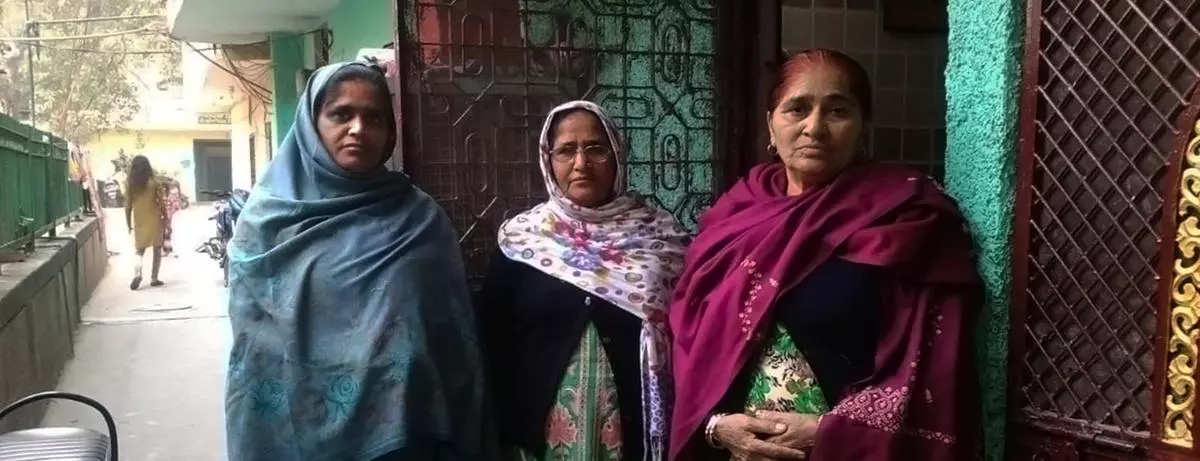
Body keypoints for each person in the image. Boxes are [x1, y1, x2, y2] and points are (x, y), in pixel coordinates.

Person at [667, 49, 983, 461]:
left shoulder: (907, 218)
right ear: (770, 123)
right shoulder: (733, 218)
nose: (814, 128)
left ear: (863, 125)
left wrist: (829, 432)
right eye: (796, 109)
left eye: (837, 111)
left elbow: (933, 367)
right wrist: (715, 425)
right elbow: (692, 342)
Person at [224, 60, 495, 461]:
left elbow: (453, 339)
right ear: (313, 123)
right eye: (341, 114)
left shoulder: (420, 219)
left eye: (373, 118)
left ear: (389, 133)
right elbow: (255, 347)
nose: (357, 129)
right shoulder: (267, 225)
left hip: (406, 435)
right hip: (298, 435)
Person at [476, 100, 689, 461]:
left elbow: (689, 332)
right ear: (548, 158)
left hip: (631, 435)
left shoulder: (661, 239)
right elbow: (492, 343)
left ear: (617, 155)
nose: (581, 163)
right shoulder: (523, 240)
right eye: (566, 150)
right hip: (540, 438)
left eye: (595, 149)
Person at [123, 155, 163, 290]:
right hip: (155, 218)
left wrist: (128, 223)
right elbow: (161, 202)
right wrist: (166, 216)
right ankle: (154, 277)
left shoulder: (130, 184)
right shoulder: (154, 183)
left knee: (139, 250)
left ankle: (138, 273)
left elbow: (127, 206)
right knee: (157, 248)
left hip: (139, 219)